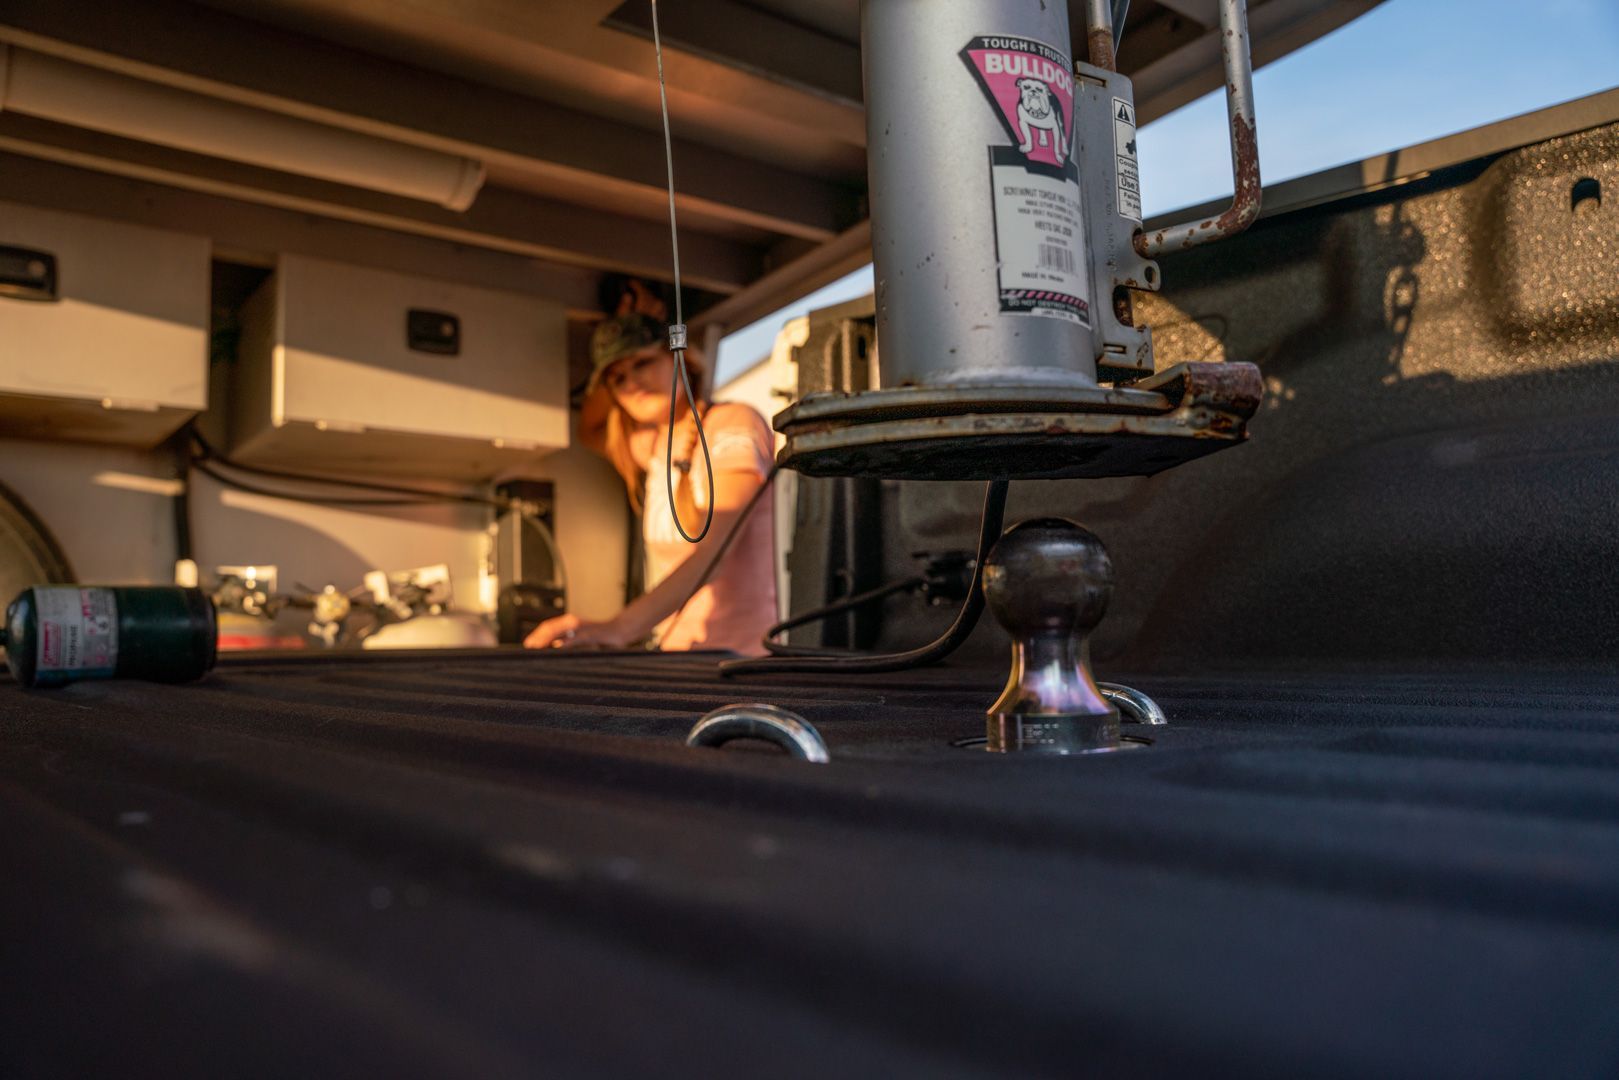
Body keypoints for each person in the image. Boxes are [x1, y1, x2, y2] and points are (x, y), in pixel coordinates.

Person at [523, 312, 778, 655]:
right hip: (679, 655)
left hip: (742, 659)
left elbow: (715, 551)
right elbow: (590, 428)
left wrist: (619, 628)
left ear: (682, 357)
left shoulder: (733, 424)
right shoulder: (653, 446)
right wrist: (613, 345)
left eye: (642, 363)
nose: (631, 384)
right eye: (618, 379)